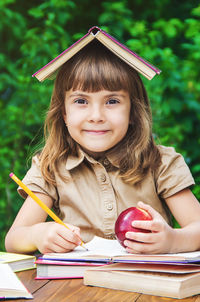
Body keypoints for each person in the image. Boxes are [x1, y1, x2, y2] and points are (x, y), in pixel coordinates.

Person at [5, 39, 200, 255]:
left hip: (147, 285)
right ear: (64, 113)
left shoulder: (161, 163)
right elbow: (14, 239)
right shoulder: (50, 166)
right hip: (76, 287)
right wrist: (38, 235)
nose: (96, 116)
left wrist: (173, 240)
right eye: (81, 101)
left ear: (133, 112)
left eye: (112, 101)